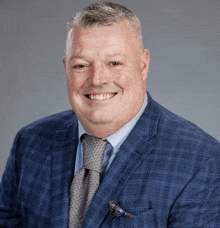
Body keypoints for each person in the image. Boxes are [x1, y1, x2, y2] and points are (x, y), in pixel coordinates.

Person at [0, 1, 220, 227]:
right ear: (66, 68)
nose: (97, 79)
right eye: (81, 65)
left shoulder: (201, 161)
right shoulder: (29, 143)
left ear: (143, 65)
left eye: (114, 63)